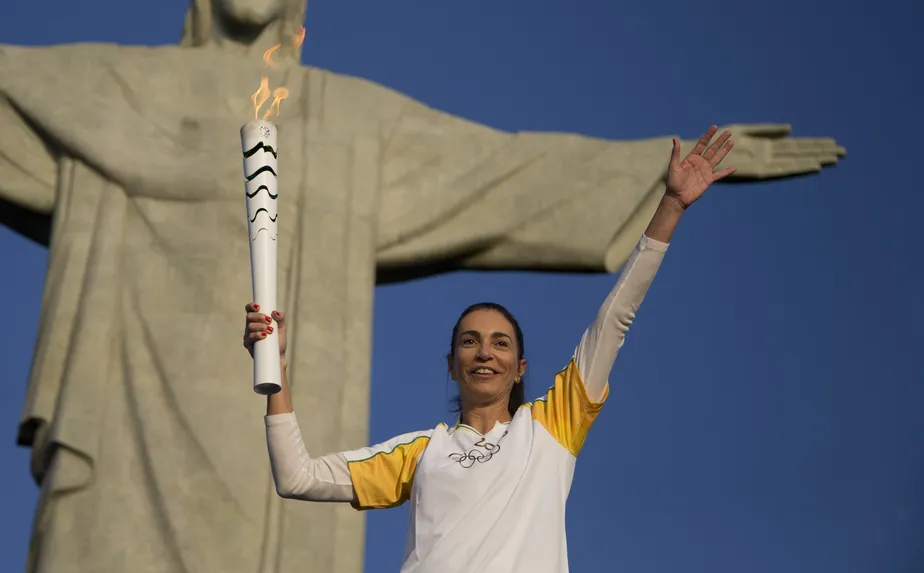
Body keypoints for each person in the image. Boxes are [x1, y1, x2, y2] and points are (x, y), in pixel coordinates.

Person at [242, 126, 737, 572]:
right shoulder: (421, 453)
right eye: (470, 342)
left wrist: (669, 207)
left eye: (500, 344)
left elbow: (613, 320)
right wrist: (276, 368)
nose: (484, 353)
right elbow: (297, 477)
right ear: (452, 365)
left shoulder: (551, 427)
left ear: (519, 367)